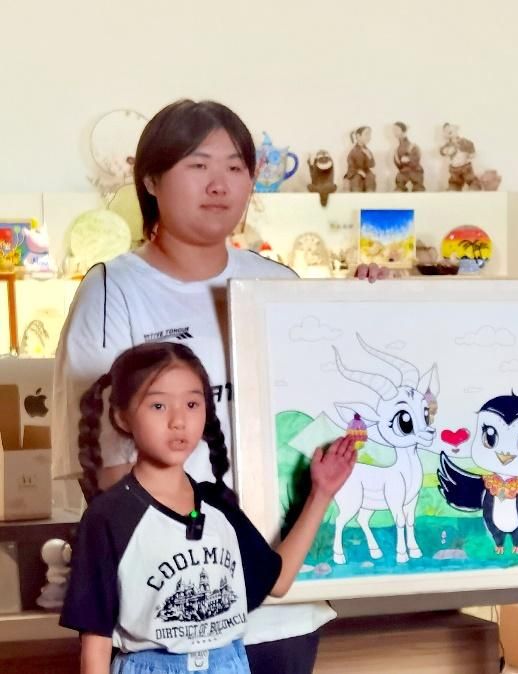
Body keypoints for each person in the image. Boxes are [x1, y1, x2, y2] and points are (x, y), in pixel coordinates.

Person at [51, 99, 386, 673]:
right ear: (150, 180)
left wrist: (372, 306)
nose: (219, 184)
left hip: (283, 608)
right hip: (171, 623)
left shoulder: (278, 284)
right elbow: (108, 475)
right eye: (198, 165)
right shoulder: (113, 291)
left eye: (235, 167)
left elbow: (327, 410)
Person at [60, 342, 357, 674]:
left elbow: (278, 580)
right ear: (122, 417)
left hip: (229, 663)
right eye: (158, 405)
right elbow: (96, 643)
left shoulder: (217, 504)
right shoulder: (109, 516)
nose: (178, 421)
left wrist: (321, 493)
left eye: (192, 403)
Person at [345, 126, 376, 192]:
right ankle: (357, 196)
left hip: (366, 171)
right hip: (354, 172)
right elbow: (350, 166)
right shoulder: (353, 151)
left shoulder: (367, 150)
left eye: (369, 134)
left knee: (370, 177)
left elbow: (372, 165)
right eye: (366, 134)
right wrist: (358, 171)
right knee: (356, 179)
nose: (369, 137)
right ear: (358, 136)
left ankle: (370, 195)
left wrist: (369, 156)